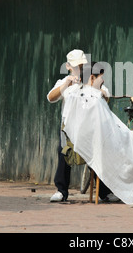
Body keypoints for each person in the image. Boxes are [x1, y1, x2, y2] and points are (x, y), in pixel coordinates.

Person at [61, 62, 133, 204]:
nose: (102, 81)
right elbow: (110, 128)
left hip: (100, 147)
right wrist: (129, 136)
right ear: (91, 78)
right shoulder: (94, 100)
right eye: (100, 78)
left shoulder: (77, 96)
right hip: (113, 146)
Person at [47, 49, 115, 202]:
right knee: (63, 151)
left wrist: (92, 86)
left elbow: (106, 96)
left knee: (98, 154)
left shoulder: (92, 79)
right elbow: (51, 98)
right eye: (76, 66)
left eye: (82, 65)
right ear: (68, 66)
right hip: (69, 130)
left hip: (90, 129)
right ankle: (61, 191)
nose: (79, 69)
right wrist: (67, 83)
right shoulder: (64, 83)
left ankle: (104, 192)